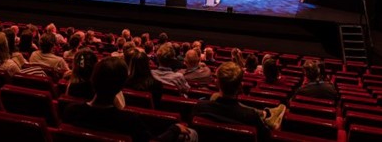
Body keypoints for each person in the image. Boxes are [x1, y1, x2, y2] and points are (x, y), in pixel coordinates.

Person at [63, 56, 197, 142]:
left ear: (93, 79)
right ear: (121, 87)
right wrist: (174, 129)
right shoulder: (128, 121)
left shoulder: (71, 110)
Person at [192, 61, 286, 140]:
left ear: (216, 83)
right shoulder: (250, 116)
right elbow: (266, 137)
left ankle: (265, 113)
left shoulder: (200, 107)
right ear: (240, 87)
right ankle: (266, 114)